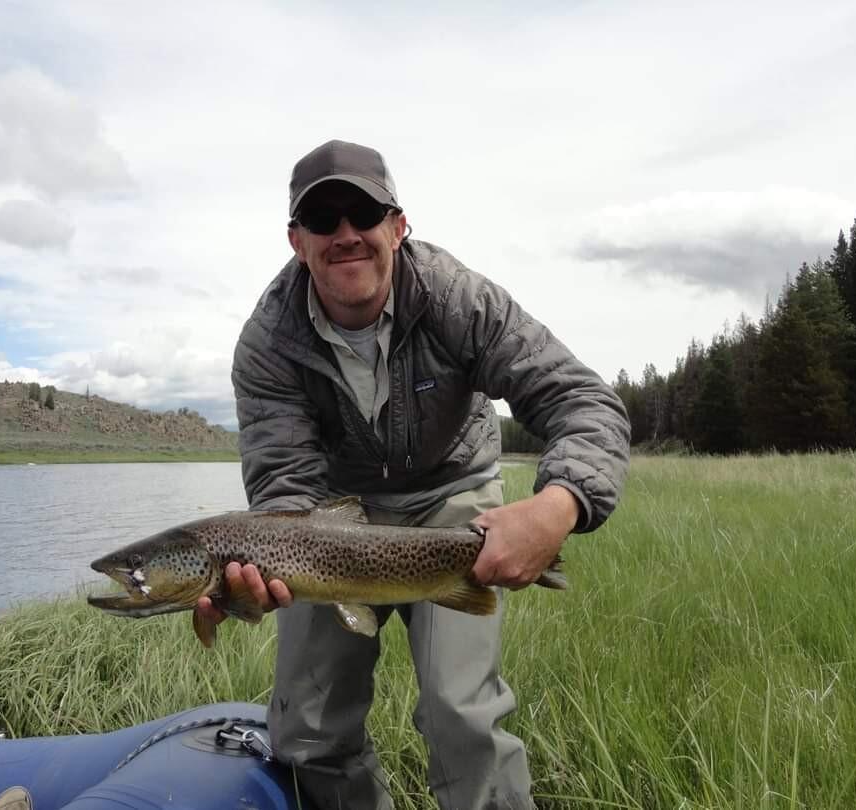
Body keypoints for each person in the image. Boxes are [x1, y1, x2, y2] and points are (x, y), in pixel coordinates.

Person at [200, 140, 631, 810]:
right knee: (309, 734)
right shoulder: (268, 342)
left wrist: (559, 504)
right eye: (323, 220)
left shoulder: (459, 299)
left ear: (398, 227)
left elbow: (583, 400)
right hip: (327, 521)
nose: (346, 234)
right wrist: (251, 571)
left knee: (461, 718)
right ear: (296, 241)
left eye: (363, 213)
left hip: (452, 497)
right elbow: (284, 484)